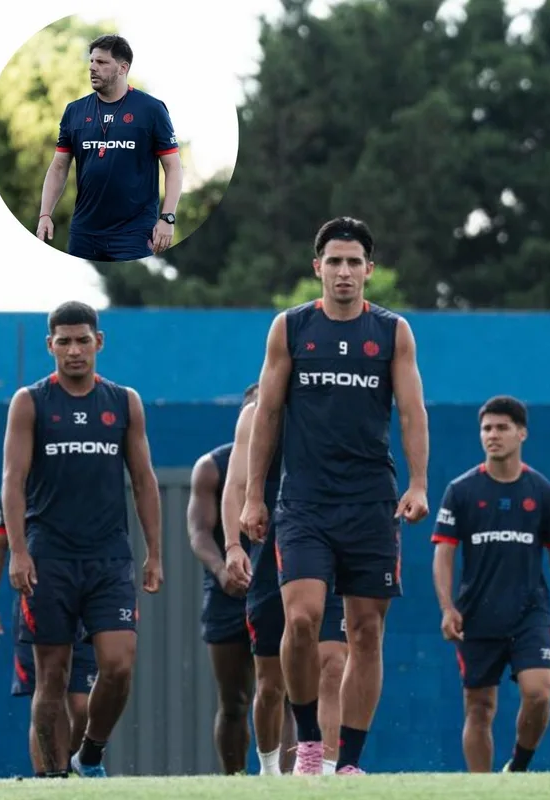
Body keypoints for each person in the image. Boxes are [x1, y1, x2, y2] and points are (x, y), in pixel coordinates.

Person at [239, 217, 430, 776]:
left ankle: (349, 762)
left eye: (354, 262)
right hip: (304, 504)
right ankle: (310, 748)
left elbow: (413, 411)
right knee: (301, 621)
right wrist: (254, 497)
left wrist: (418, 483)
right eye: (334, 261)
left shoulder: (393, 331)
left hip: (372, 503)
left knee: (366, 631)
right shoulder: (291, 329)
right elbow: (267, 413)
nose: (344, 271)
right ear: (316, 266)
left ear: (369, 270)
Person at [1, 300, 164, 779]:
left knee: (118, 664)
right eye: (64, 342)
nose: (74, 350)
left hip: (108, 559)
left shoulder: (123, 402)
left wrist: (155, 552)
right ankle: (51, 782)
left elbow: (144, 479)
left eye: (83, 340)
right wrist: (18, 550)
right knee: (51, 677)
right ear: (50, 345)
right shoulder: (30, 402)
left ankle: (89, 756)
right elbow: (13, 480)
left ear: (100, 342)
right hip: (49, 560)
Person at [431, 396, 550, 773]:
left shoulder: (543, 492)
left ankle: (518, 769)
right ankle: (482, 789)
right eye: (486, 428)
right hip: (476, 616)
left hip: (529, 613)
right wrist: (447, 607)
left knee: (539, 693)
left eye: (501, 428)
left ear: (522, 433)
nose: (492, 436)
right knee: (479, 707)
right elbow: (443, 553)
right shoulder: (461, 491)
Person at [223, 384, 348, 776]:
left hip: (328, 548)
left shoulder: (339, 405)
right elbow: (236, 487)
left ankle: (325, 771)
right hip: (271, 553)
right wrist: (232, 546)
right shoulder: (255, 415)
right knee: (271, 683)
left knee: (331, 665)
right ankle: (269, 769)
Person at [36, 34, 183, 262]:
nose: (93, 68)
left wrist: (168, 217)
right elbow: (58, 167)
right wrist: (45, 213)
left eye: (102, 62)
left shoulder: (151, 110)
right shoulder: (74, 111)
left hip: (133, 233)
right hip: (84, 232)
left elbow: (173, 167)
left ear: (123, 68)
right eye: (92, 62)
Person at [0, 501, 98, 777]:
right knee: (46, 696)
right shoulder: (17, 485)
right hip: (37, 603)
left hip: (83, 602)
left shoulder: (87, 473)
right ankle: (46, 779)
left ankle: (69, 764)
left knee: (82, 707)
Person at [187, 413, 255, 775]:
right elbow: (198, 531)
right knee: (233, 702)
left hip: (278, 588)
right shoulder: (213, 467)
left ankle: (289, 780)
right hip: (227, 593)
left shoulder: (296, 457)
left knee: (289, 696)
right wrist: (221, 570)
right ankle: (235, 781)